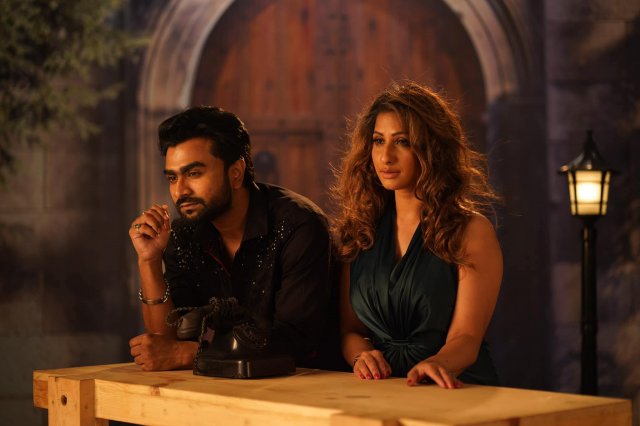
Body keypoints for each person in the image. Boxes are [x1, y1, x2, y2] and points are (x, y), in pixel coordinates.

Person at [128, 106, 332, 371]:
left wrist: (193, 354)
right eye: (172, 177)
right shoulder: (184, 234)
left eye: (194, 173)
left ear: (235, 173)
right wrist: (149, 260)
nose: (180, 191)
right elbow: (167, 341)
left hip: (306, 385)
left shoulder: (298, 225)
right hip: (219, 385)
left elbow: (296, 342)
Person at [332, 82, 502, 389]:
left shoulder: (471, 231)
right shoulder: (360, 229)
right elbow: (350, 330)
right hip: (381, 389)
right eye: (378, 141)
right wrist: (361, 356)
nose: (386, 157)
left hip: (451, 388)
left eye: (402, 142)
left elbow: (467, 338)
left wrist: (439, 363)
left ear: (431, 149)